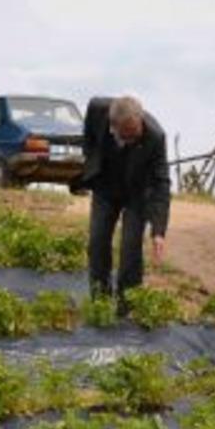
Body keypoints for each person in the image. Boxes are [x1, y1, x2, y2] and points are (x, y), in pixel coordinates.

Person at [72, 96, 171, 313]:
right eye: (127, 136)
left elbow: (161, 183)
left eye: (136, 133)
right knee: (97, 242)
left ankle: (126, 307)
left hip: (137, 194)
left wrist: (158, 231)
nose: (134, 139)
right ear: (113, 126)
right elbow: (88, 137)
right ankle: (100, 300)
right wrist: (91, 160)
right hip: (106, 188)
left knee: (130, 249)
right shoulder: (97, 110)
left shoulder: (155, 137)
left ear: (140, 119)